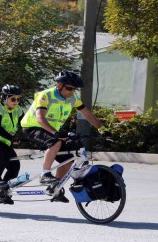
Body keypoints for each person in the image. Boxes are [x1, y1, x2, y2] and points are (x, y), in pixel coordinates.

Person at [20, 70, 103, 201]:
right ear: (59, 86)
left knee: (69, 159)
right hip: (33, 127)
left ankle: (55, 188)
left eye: (74, 89)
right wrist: (55, 133)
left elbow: (87, 114)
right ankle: (45, 174)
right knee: (55, 142)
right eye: (69, 88)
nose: (71, 92)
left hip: (52, 131)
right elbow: (40, 119)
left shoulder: (73, 99)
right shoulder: (45, 96)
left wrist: (102, 129)